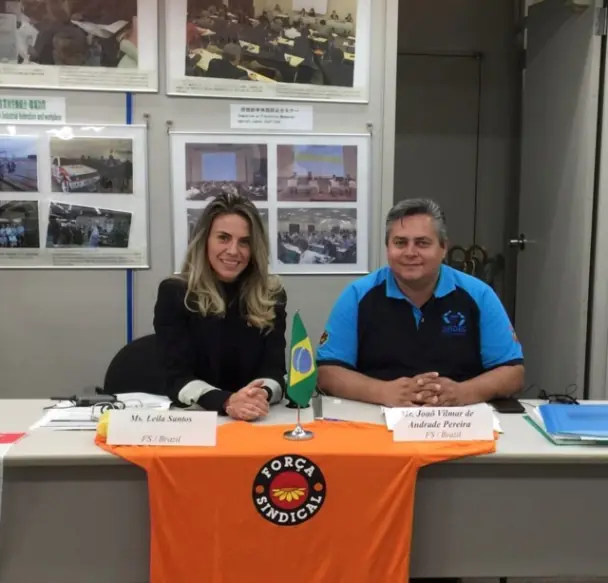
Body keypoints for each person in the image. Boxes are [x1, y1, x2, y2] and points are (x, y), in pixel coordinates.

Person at [316, 198, 524, 408]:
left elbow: (513, 373)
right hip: (377, 415)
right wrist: (382, 391)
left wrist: (463, 392)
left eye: (422, 243)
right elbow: (327, 372)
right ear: (387, 247)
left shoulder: (479, 296)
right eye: (400, 243)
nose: (410, 253)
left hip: (459, 420)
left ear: (444, 248)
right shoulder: (357, 295)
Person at [154, 193, 287, 421]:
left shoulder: (271, 295)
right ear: (204, 240)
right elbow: (176, 378)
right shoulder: (176, 294)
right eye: (223, 238)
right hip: (195, 420)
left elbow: (275, 372)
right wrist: (226, 401)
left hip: (256, 419)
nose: (234, 251)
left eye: (244, 242)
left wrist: (260, 395)